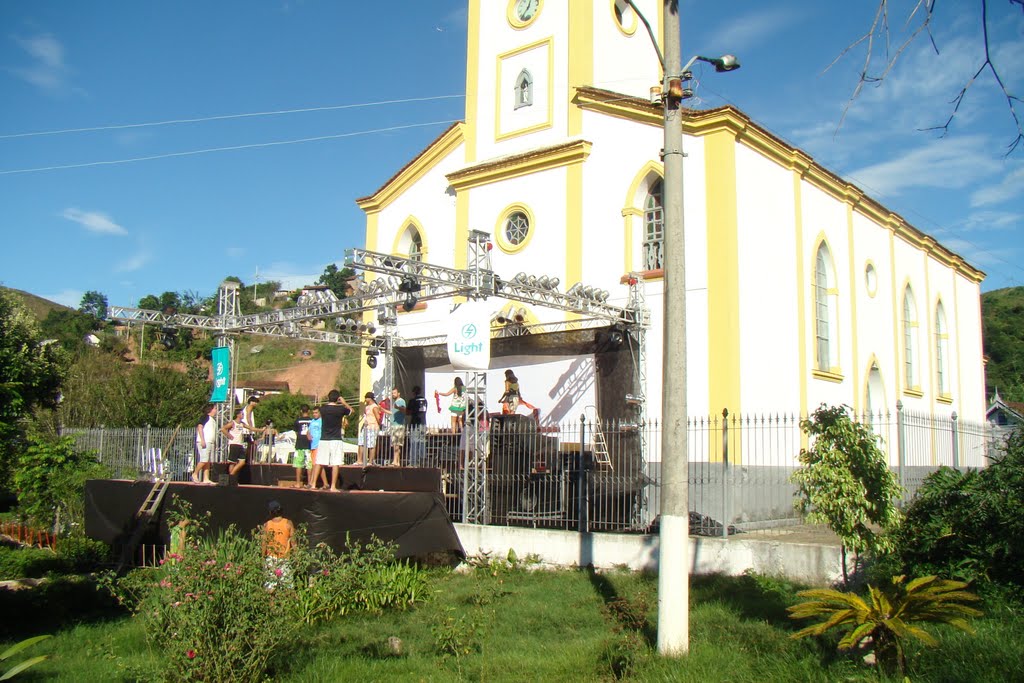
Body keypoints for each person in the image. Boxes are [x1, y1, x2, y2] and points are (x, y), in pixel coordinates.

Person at [318, 389, 353, 492]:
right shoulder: (341, 409)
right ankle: (333, 486)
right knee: (335, 463)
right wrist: (344, 402)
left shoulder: (323, 409)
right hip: (336, 438)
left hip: (324, 438)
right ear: (337, 399)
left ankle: (314, 484)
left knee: (320, 462)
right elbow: (351, 411)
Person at [261, 500, 295, 590]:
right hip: (285, 558)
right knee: (288, 588)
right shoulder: (288, 523)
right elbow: (293, 542)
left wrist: (262, 557)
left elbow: (264, 543)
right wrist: (297, 555)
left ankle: (270, 604)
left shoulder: (267, 525)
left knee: (270, 588)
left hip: (271, 558)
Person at [190, 403, 217, 484]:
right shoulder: (205, 417)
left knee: (207, 461)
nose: (216, 410)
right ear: (210, 410)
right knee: (204, 459)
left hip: (210, 441)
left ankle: (206, 478)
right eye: (215, 408)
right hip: (205, 441)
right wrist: (202, 440)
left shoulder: (212, 419)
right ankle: (195, 474)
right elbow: (200, 427)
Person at [357, 392, 384, 466]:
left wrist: (378, 426)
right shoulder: (366, 407)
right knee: (361, 443)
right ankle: (359, 460)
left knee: (371, 444)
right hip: (366, 427)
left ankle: (371, 460)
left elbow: (378, 418)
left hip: (373, 427)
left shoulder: (374, 407)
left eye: (366, 398)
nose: (365, 399)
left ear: (370, 398)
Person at [221, 408, 250, 477]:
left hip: (240, 444)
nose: (243, 415)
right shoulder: (233, 423)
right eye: (242, 414)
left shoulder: (242, 424)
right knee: (232, 462)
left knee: (242, 461)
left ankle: (231, 475)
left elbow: (250, 428)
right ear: (238, 415)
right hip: (233, 444)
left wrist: (260, 430)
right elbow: (223, 428)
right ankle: (231, 477)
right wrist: (229, 435)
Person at [406, 385, 429, 466]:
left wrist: (400, 408)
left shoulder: (413, 401)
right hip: (423, 423)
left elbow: (408, 412)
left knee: (414, 443)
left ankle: (413, 462)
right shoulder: (424, 400)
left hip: (415, 423)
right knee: (422, 442)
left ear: (413, 393)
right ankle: (423, 460)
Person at [292, 405, 312, 487]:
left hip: (299, 444)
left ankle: (298, 483)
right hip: (309, 444)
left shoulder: (297, 420)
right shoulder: (312, 420)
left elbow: (296, 432)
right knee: (309, 465)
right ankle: (310, 483)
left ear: (301, 411)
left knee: (298, 464)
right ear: (309, 411)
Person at [388, 387, 407, 467]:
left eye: (394, 393)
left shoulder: (401, 401)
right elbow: (392, 412)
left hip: (398, 425)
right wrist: (382, 409)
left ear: (398, 393)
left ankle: (395, 461)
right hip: (394, 424)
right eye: (392, 393)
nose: (393, 394)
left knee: (397, 443)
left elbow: (404, 409)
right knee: (395, 443)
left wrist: (398, 407)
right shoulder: (395, 402)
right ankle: (397, 462)